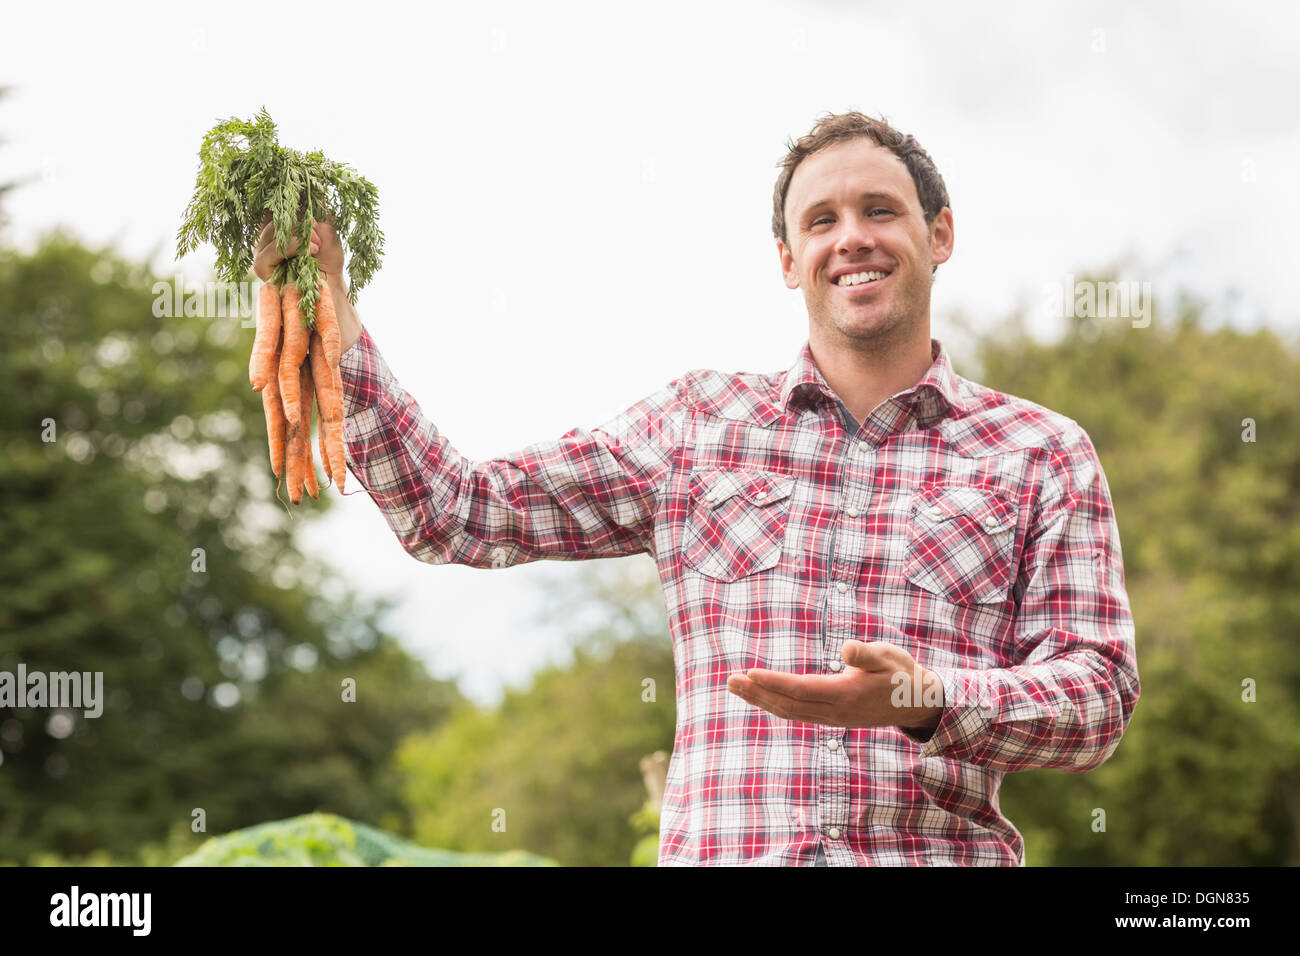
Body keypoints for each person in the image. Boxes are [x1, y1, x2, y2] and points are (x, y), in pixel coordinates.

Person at [252, 111, 1140, 866]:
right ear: (788, 260)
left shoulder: (1040, 453)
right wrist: (331, 299)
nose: (853, 238)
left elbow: (1097, 696)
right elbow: (462, 513)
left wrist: (928, 698)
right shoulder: (696, 428)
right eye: (821, 221)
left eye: (881, 210)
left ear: (939, 235)